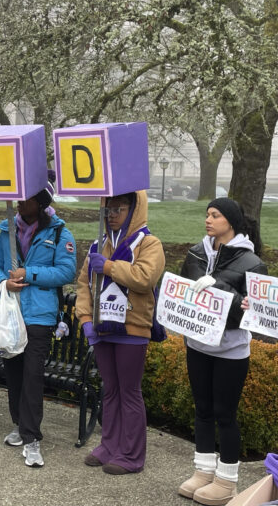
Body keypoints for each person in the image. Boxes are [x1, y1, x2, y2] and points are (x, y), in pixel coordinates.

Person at [177, 198, 266, 505]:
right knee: (201, 409)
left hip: (230, 350)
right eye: (207, 214)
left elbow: (252, 315)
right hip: (198, 344)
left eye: (215, 215)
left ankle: (227, 481)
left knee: (224, 414)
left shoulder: (252, 263)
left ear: (231, 221)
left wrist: (217, 289)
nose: (208, 219)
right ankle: (203, 472)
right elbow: (178, 289)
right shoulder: (196, 252)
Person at [0, 175, 76, 467]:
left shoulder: (60, 232)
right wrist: (4, 282)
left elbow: (66, 272)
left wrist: (29, 274)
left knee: (33, 377)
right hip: (11, 315)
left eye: (24, 198)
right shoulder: (6, 231)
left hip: (39, 316)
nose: (17, 202)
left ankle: (32, 436)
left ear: (40, 203)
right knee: (13, 374)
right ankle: (19, 424)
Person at [75, 190, 164, 476]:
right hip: (102, 327)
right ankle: (109, 445)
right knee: (109, 390)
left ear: (134, 210)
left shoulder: (149, 243)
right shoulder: (98, 244)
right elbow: (84, 285)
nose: (111, 216)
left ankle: (131, 454)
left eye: (118, 210)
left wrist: (111, 267)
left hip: (132, 329)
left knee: (129, 392)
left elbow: (144, 278)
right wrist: (86, 318)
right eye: (107, 210)